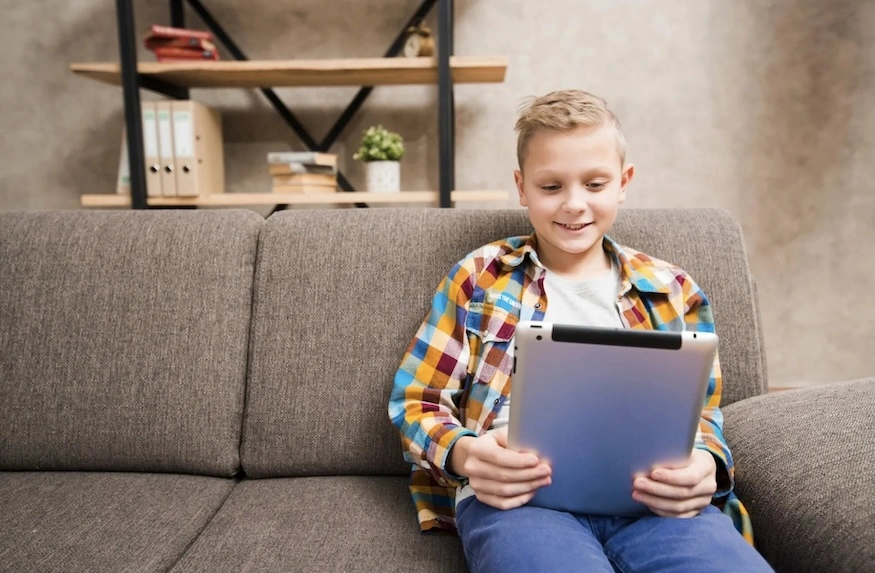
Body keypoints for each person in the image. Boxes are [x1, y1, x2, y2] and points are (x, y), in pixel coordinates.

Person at [388, 89, 773, 572]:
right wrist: (466, 455)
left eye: (594, 184)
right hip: (520, 502)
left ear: (623, 182)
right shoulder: (480, 275)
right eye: (551, 187)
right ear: (522, 187)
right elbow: (416, 401)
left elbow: (702, 416)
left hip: (653, 501)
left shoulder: (673, 289)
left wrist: (706, 466)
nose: (574, 205)